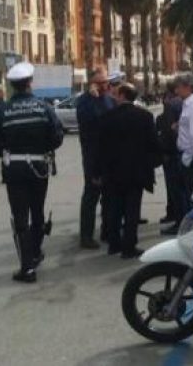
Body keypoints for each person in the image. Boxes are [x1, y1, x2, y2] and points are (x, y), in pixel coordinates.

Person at [0, 61, 64, 282]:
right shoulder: (44, 108)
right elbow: (57, 137)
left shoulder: (3, 110)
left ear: (12, 85)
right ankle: (36, 251)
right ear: (30, 83)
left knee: (20, 216)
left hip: (14, 169)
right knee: (38, 211)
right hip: (39, 167)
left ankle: (27, 267)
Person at [97, 83, 162, 259]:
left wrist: (100, 171)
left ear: (122, 95)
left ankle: (114, 243)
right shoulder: (145, 117)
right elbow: (153, 144)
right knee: (132, 210)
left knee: (114, 209)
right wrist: (152, 163)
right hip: (137, 172)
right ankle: (129, 246)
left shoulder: (107, 118)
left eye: (116, 93)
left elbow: (101, 148)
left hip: (113, 172)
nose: (113, 96)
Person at [163, 72, 193, 235]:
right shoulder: (192, 102)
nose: (176, 91)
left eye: (178, 87)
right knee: (192, 194)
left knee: (192, 195)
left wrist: (186, 158)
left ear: (186, 87)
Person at [76, 69, 115, 250]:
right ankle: (86, 235)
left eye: (106, 82)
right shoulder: (84, 102)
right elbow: (92, 121)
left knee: (108, 195)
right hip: (93, 156)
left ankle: (107, 230)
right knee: (91, 195)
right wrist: (93, 97)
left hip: (108, 154)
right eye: (101, 83)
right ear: (93, 84)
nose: (106, 85)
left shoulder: (109, 99)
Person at [156, 81, 184, 226]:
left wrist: (164, 151)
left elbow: (168, 131)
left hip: (172, 153)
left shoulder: (172, 105)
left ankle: (176, 216)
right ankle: (175, 213)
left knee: (174, 188)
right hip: (182, 151)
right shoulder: (185, 103)